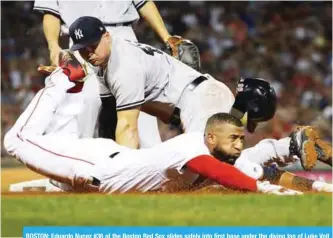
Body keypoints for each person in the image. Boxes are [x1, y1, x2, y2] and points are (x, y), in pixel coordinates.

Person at [3, 52, 330, 194]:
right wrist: (263, 184)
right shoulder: (203, 144)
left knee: (64, 182)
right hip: (100, 166)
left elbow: (257, 171)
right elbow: (234, 171)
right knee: (15, 141)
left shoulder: (219, 136)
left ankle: (286, 146)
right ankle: (64, 79)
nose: (242, 140)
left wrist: (316, 187)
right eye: (238, 137)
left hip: (110, 162)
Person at [67, 16, 331, 173]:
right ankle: (290, 146)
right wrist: (101, 155)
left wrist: (116, 173)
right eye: (82, 49)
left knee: (198, 171)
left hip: (201, 100)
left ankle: (287, 147)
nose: (88, 52)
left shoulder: (123, 66)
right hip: (197, 100)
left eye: (92, 45)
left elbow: (128, 129)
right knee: (215, 167)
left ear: (107, 36)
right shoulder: (102, 64)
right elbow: (109, 120)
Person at [33, 0, 187, 147]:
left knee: (140, 102)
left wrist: (166, 37)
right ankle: (81, 163)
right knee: (87, 104)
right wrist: (53, 47)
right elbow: (50, 10)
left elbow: (143, 2)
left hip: (123, 34)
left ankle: (150, 162)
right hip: (83, 41)